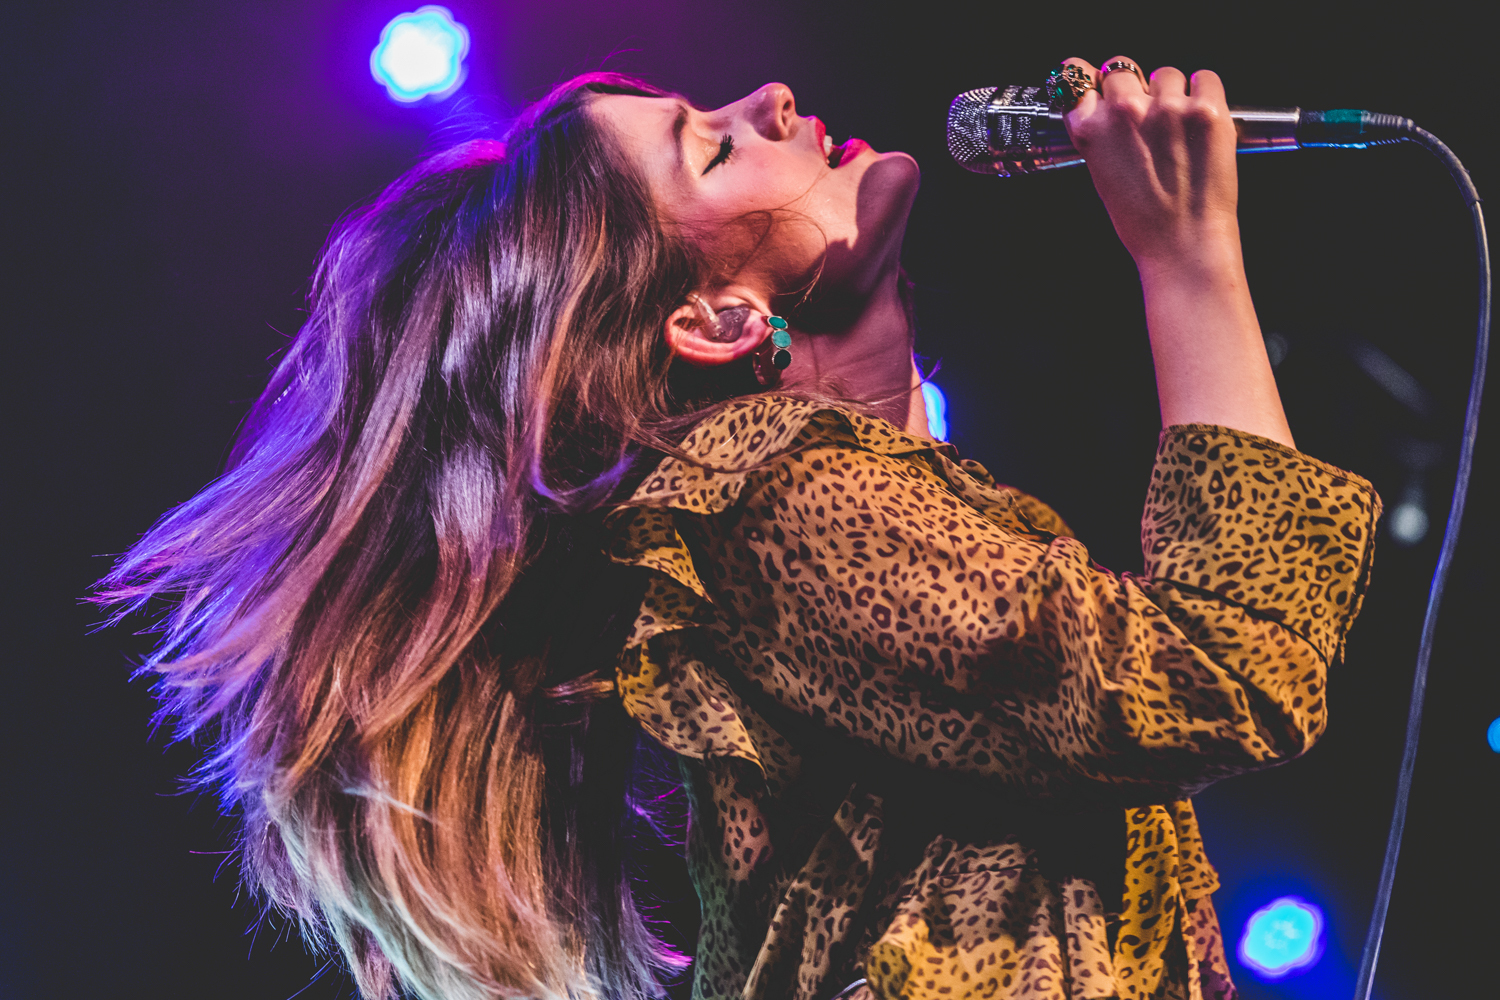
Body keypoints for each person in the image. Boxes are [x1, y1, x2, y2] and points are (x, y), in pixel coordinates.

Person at [97, 57, 1382, 1000]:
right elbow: (1221, 671)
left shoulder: (799, 494)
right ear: (710, 323)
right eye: (711, 149)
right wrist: (1189, 254)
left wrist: (873, 366)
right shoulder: (765, 488)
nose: (768, 98)